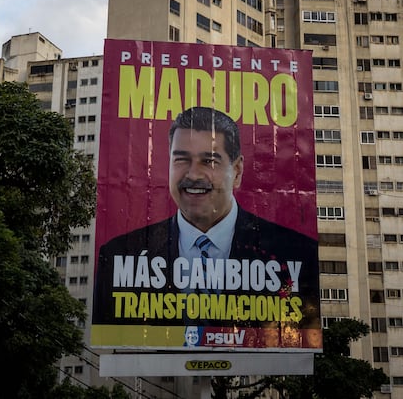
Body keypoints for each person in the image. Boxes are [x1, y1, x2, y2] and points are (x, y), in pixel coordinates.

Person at [92, 107, 320, 332]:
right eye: (181, 159)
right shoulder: (118, 256)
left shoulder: (295, 254)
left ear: (238, 171)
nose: (193, 175)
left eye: (209, 161)